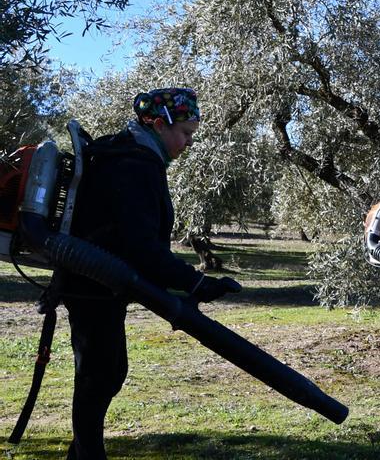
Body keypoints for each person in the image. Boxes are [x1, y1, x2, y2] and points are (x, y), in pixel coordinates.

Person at [54, 87, 241, 459]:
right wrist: (197, 283)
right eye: (185, 133)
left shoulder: (135, 157)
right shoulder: (134, 165)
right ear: (158, 124)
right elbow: (141, 247)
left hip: (100, 284)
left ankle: (82, 455)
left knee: (106, 370)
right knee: (100, 372)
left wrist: (191, 284)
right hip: (92, 284)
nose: (188, 143)